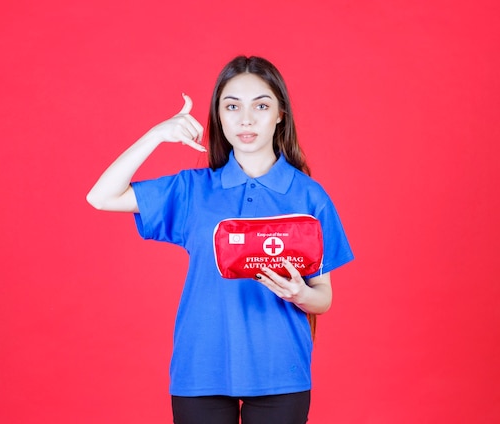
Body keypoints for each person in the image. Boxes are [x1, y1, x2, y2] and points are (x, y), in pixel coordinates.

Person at [87, 56, 354, 424]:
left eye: (261, 105)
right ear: (218, 115)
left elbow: (323, 297)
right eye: (232, 106)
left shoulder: (309, 197)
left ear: (280, 114)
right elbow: (101, 197)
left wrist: (300, 295)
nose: (246, 119)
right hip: (201, 368)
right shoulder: (194, 189)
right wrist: (156, 135)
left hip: (281, 370)